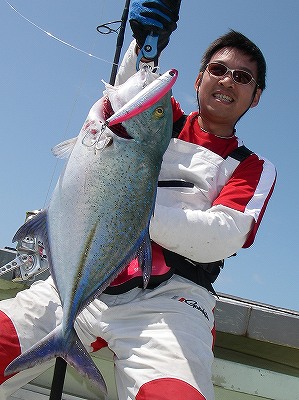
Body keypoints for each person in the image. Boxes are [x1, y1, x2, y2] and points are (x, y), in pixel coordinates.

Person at [0, 1, 276, 399]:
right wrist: (145, 42)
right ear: (198, 80)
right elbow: (131, 87)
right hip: (81, 283)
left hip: (171, 302)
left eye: (242, 77)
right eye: (217, 70)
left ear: (256, 96)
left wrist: (127, 207)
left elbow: (225, 233)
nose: (227, 81)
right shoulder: (161, 113)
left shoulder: (251, 166)